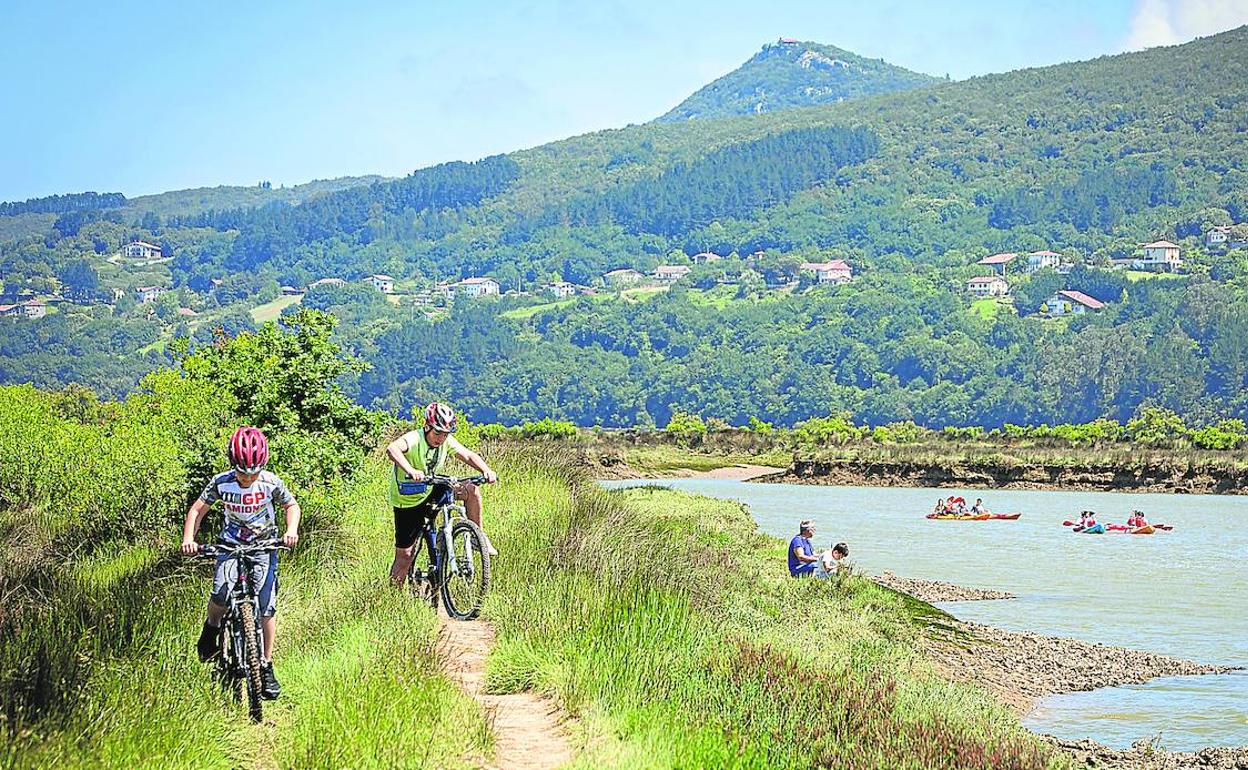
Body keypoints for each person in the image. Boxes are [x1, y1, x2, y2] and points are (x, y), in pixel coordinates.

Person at [181, 426, 301, 701]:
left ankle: (266, 664)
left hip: (264, 546)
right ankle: (211, 627)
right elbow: (198, 509)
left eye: (253, 472)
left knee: (266, 606)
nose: (247, 478)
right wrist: (189, 538)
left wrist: (290, 531)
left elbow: (291, 506)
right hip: (229, 545)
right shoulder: (221, 482)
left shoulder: (270, 482)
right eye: (241, 472)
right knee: (222, 592)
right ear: (232, 465)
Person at [388, 401, 499, 586]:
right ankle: (392, 599)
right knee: (405, 556)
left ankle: (474, 535)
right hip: (408, 498)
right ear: (427, 427)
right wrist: (410, 470)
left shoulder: (446, 441)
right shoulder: (414, 439)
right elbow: (392, 449)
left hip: (432, 487)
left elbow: (469, 455)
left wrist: (486, 470)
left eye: (445, 434)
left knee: (471, 490)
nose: (441, 438)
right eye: (437, 432)